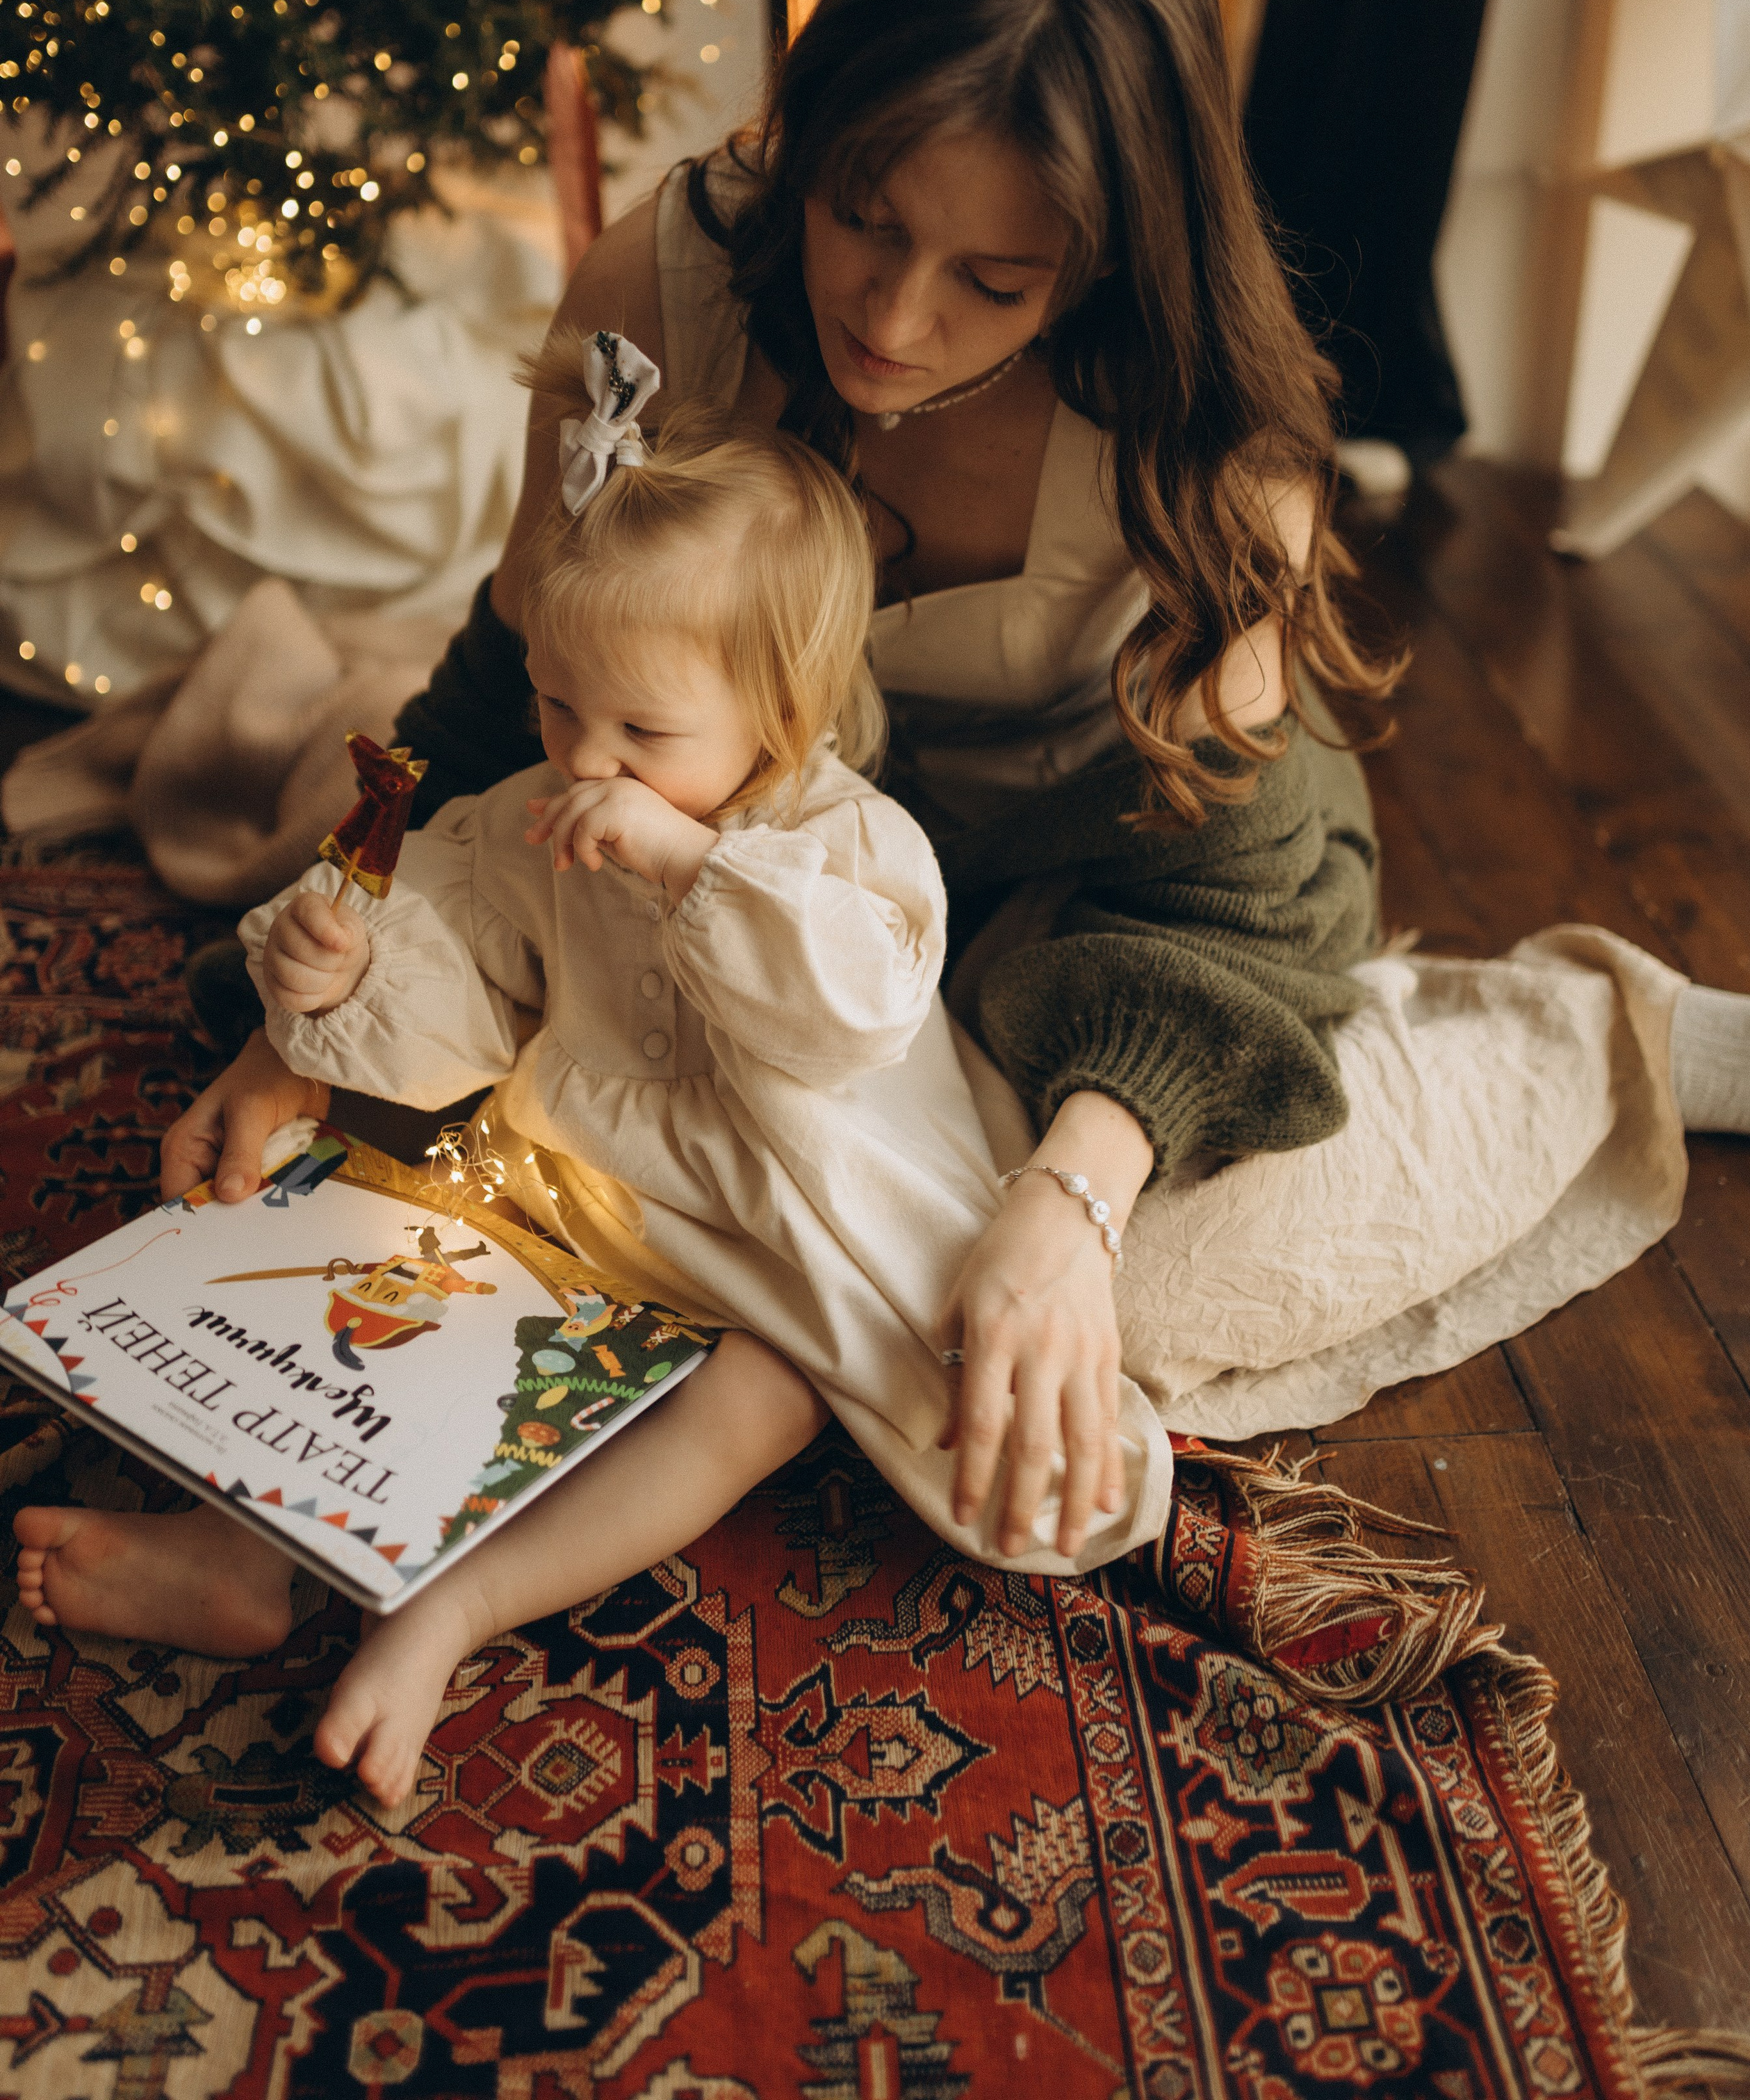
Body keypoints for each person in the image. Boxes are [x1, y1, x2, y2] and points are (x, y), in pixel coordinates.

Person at [39, 0, 1750, 1711]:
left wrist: (1074, 1207)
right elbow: (510, 683)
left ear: (1103, 266)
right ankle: (302, 1530)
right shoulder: (668, 294)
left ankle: (1620, 1037)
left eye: (995, 280)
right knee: (443, 1110)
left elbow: (1242, 899)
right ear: (812, 132)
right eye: (864, 217)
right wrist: (294, 1036)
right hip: (710, 897)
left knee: (1077, 1322)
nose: (894, 318)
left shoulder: (1203, 464)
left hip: (1099, 914)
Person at [15, 384, 1176, 1806]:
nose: (586, 759)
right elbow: (454, 943)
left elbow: (852, 1007)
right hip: (573, 1177)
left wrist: (689, 864)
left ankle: (456, 1605)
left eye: (644, 728)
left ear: (781, 717)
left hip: (762, 1222)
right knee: (399, 1234)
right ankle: (257, 1548)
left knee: (761, 1401)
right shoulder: (546, 799)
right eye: (560, 703)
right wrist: (338, 967)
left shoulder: (846, 843)